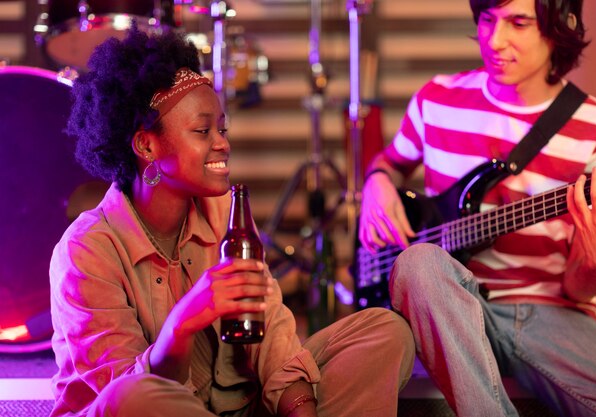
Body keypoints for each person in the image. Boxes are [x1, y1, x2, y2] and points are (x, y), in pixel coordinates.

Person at [49, 26, 416, 417]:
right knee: (133, 397)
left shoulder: (226, 210)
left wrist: (300, 407)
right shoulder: (86, 250)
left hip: (238, 406)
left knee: (385, 332)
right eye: (203, 131)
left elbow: (271, 327)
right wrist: (184, 322)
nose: (222, 143)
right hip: (150, 405)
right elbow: (127, 390)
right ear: (146, 145)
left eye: (221, 129)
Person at [358, 0, 596, 416]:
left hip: (550, 313)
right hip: (450, 308)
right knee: (418, 263)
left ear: (561, 27)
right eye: (487, 20)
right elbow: (390, 163)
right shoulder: (436, 99)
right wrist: (376, 183)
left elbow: (580, 289)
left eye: (518, 23)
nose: (494, 41)